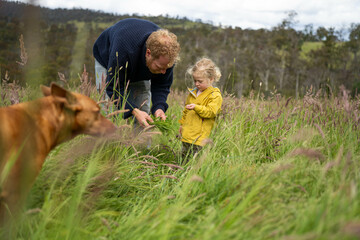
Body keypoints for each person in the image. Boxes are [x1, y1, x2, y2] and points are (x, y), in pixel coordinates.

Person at [93, 18, 180, 128]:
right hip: (108, 60)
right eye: (160, 67)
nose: (164, 72)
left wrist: (159, 107)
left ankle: (141, 144)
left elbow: (162, 85)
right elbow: (113, 88)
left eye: (167, 68)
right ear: (148, 53)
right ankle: (109, 143)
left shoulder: (166, 59)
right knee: (110, 110)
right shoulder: (123, 51)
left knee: (143, 113)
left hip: (140, 67)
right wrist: (133, 110)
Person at [178, 57, 223, 161]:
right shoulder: (193, 93)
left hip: (199, 138)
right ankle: (181, 175)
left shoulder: (215, 95)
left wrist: (196, 107)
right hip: (187, 134)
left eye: (200, 81)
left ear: (211, 79)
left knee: (195, 161)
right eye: (195, 80)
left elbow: (211, 112)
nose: (196, 84)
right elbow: (185, 112)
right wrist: (182, 124)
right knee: (183, 159)